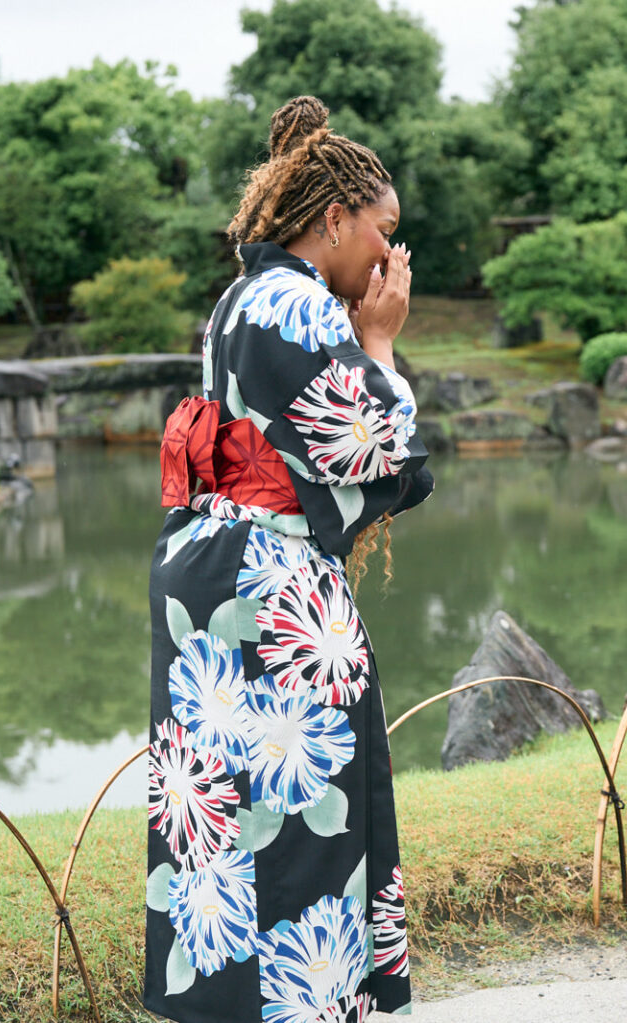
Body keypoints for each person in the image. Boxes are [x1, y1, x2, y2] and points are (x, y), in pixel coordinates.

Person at [145, 96, 433, 1023]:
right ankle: (302, 1005)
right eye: (384, 235)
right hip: (269, 584)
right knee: (302, 802)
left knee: (230, 813)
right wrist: (381, 341)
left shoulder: (246, 297)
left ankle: (233, 1006)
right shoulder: (297, 303)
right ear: (336, 219)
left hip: (224, 570)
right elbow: (377, 451)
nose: (391, 259)